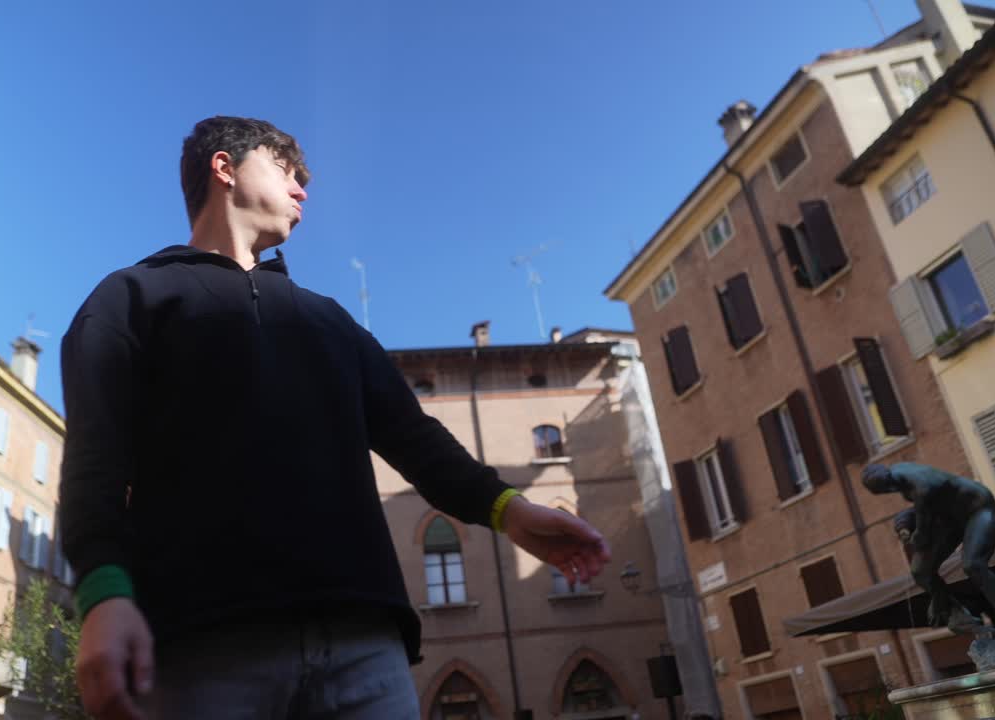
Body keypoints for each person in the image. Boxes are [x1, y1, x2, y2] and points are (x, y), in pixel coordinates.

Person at [59, 116, 612, 720]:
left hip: (364, 646)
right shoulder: (129, 300)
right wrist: (102, 593)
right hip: (199, 640)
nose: (302, 190)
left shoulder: (331, 321)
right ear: (224, 168)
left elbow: (414, 438)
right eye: (285, 170)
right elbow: (95, 456)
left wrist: (511, 512)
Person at [862, 462, 995, 639]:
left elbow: (926, 502)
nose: (890, 492)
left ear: (888, 483)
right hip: (951, 520)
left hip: (978, 510)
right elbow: (922, 508)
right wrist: (905, 525)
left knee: (973, 565)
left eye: (886, 489)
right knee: (920, 571)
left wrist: (920, 532)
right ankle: (956, 614)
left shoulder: (917, 481)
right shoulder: (903, 480)